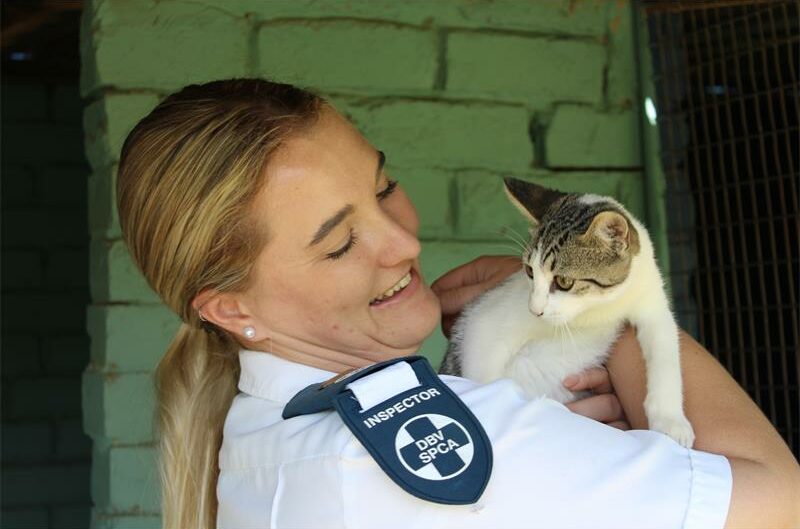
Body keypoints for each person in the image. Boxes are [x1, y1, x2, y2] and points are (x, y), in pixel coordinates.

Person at [116, 79, 800, 529]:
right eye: (341, 242)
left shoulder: (259, 425)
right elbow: (780, 499)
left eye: (383, 187)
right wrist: (601, 313)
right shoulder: (456, 446)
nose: (404, 239)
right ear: (232, 310)